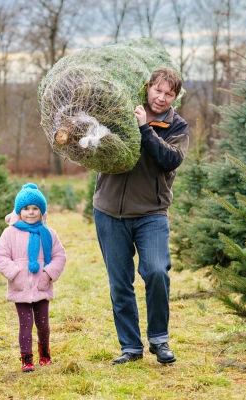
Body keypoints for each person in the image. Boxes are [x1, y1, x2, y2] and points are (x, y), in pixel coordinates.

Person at [93, 66, 189, 365]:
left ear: (175, 97)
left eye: (168, 94)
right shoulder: (122, 112)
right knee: (119, 283)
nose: (161, 98)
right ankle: (130, 347)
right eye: (157, 90)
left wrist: (146, 128)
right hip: (109, 211)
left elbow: (169, 160)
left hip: (151, 213)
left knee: (157, 271)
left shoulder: (176, 126)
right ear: (148, 87)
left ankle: (159, 340)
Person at [0, 183, 67, 373]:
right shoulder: (10, 233)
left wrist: (48, 275)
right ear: (19, 211)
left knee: (43, 324)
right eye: (26, 209)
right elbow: (1, 256)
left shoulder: (49, 233)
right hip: (21, 288)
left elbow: (60, 256)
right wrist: (15, 275)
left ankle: (45, 353)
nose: (31, 212)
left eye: (35, 208)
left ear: (42, 211)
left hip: (41, 287)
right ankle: (26, 358)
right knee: (25, 324)